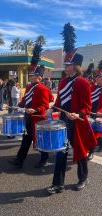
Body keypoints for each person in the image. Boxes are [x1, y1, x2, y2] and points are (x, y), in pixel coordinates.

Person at [46, 50, 97, 194]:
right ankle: (58, 184)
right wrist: (51, 110)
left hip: (77, 122)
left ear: (76, 66)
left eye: (69, 65)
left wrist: (77, 114)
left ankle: (83, 178)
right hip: (63, 121)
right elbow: (59, 102)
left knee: (80, 153)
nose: (66, 67)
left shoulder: (83, 82)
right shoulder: (62, 82)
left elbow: (87, 106)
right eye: (66, 65)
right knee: (61, 152)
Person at [9, 65, 53, 168]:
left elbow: (44, 106)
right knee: (26, 139)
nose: (30, 76)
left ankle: (44, 158)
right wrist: (18, 106)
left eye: (33, 75)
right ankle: (19, 159)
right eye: (31, 74)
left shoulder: (43, 89)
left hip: (38, 119)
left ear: (39, 77)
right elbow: (25, 100)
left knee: (40, 139)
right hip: (28, 117)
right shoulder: (29, 86)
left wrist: (35, 110)